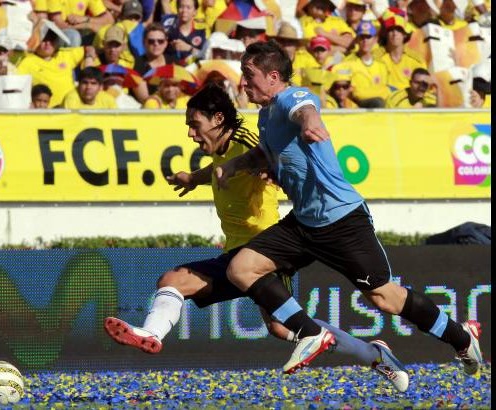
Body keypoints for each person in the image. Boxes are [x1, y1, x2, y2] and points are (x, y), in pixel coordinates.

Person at [105, 82, 410, 392]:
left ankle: (374, 355)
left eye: (194, 125)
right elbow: (219, 169)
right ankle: (152, 334)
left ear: (218, 120)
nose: (190, 134)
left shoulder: (250, 141)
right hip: (236, 255)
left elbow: (275, 158)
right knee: (173, 281)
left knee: (282, 326)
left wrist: (274, 172)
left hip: (266, 253)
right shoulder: (224, 151)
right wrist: (193, 178)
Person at [214, 39, 483, 377]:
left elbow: (305, 108)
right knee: (242, 268)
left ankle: (462, 336)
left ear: (272, 76)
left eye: (248, 74)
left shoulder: (288, 99)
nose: (243, 82)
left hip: (341, 219)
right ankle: (309, 334)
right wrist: (233, 165)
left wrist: (310, 121)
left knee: (384, 298)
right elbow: (265, 154)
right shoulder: (267, 114)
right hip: (304, 223)